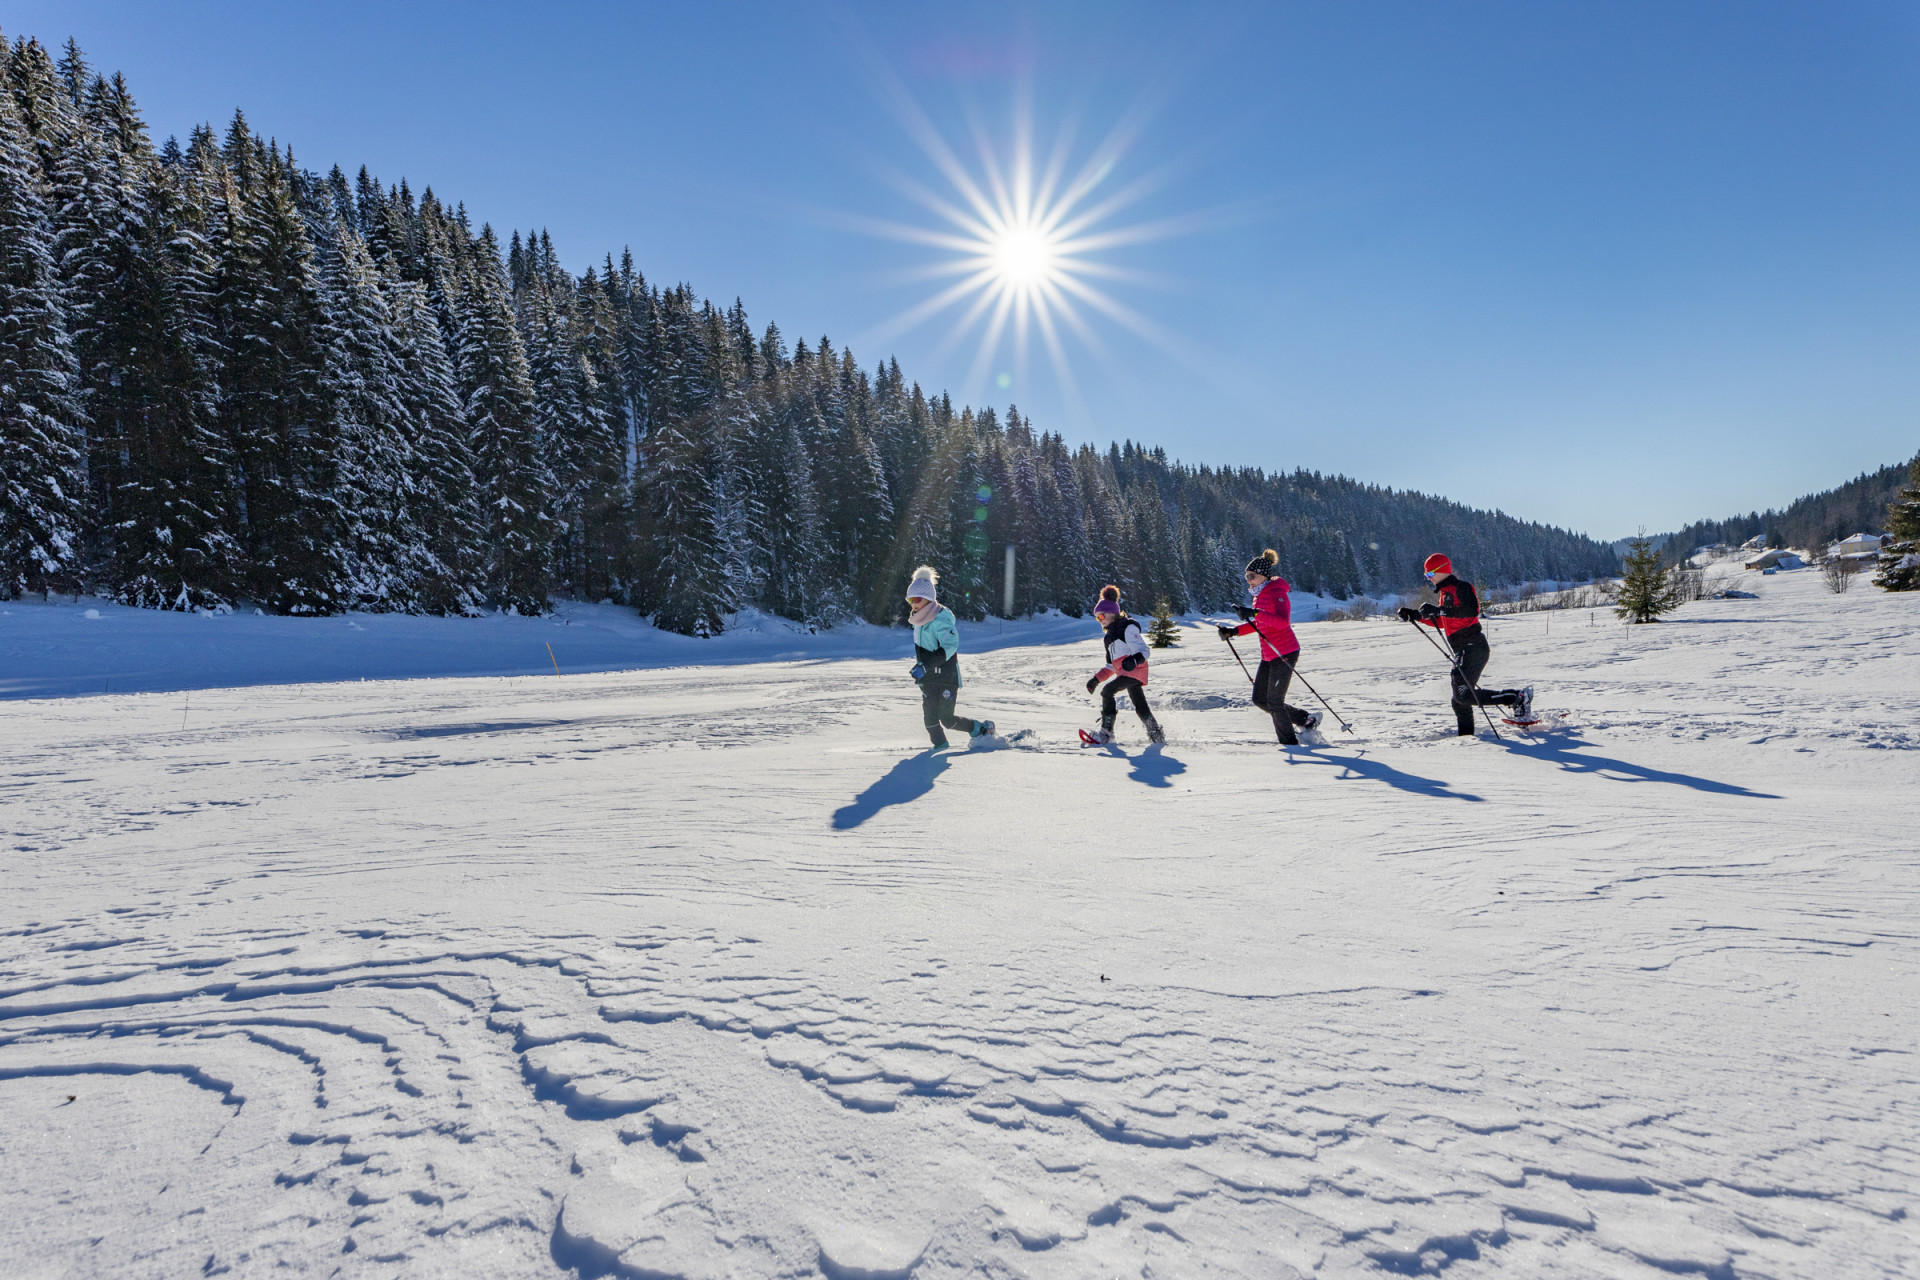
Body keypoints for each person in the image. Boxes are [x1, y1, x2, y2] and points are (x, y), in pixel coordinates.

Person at [1396, 553, 1532, 736]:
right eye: (1426, 576)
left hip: (1474, 647)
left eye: (1429, 574)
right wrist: (1417, 616)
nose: (1429, 579)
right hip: (1464, 650)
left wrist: (1439, 610)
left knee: (1463, 695)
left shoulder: (1462, 588)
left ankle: (1516, 698)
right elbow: (1445, 620)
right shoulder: (1444, 594)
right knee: (1459, 699)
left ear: (1441, 570)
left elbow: (1470, 611)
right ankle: (1466, 740)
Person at [1218, 548, 1321, 746]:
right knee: (1260, 699)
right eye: (1246, 576)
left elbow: (1282, 622)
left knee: (1274, 701)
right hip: (1269, 654)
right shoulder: (1259, 594)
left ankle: (1290, 745)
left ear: (1263, 575)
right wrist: (1234, 632)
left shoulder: (1276, 593)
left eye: (1251, 576)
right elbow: (1262, 624)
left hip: (1285, 652)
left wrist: (1254, 612)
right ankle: (1305, 720)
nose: (1248, 580)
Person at [906, 566, 994, 751]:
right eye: (910, 599)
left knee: (947, 719)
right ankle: (940, 746)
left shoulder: (940, 618)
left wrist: (926, 665)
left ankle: (980, 729)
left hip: (946, 678)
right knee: (929, 718)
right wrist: (922, 670)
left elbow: (950, 645)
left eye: (917, 599)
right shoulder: (918, 621)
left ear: (929, 599)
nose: (913, 603)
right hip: (929, 679)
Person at [1083, 585, 1165, 745]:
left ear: (1112, 613)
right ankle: (1156, 734)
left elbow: (1144, 651)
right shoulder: (1108, 638)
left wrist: (1133, 660)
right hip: (1125, 675)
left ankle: (1107, 733)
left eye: (1101, 616)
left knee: (1107, 692)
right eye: (1097, 618)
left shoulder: (1127, 627)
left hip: (1135, 672)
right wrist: (1095, 680)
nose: (1100, 620)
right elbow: (1110, 667)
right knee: (1141, 707)